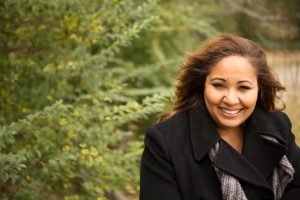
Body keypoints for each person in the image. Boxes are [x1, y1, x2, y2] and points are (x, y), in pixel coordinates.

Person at [139, 34, 300, 200]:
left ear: (259, 89)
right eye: (219, 85)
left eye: (243, 87)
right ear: (202, 84)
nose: (231, 99)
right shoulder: (164, 141)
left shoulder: (277, 126)